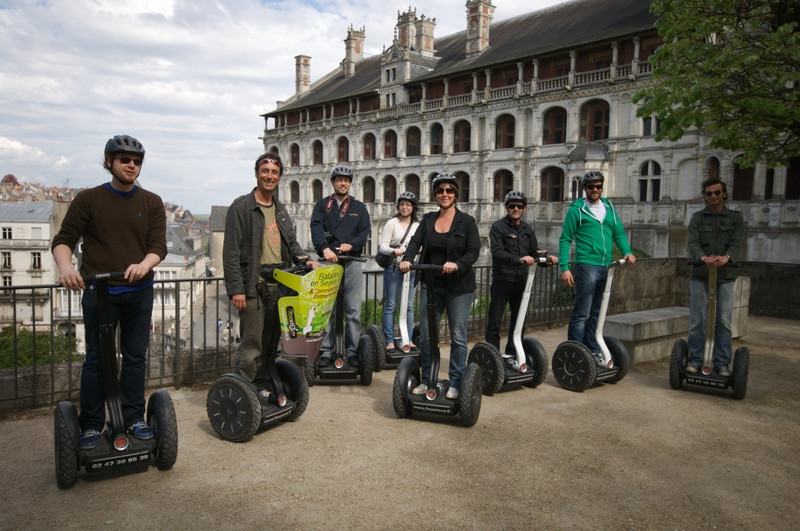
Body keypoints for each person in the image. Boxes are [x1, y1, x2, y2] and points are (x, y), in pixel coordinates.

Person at [52, 134, 167, 450]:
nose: (132, 165)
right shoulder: (89, 200)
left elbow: (158, 246)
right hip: (99, 291)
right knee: (96, 360)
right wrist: (66, 268)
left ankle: (133, 418)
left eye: (137, 161)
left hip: (138, 290)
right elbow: (64, 240)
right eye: (125, 160)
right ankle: (90, 424)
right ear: (109, 163)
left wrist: (145, 264)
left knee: (134, 357)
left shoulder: (152, 202)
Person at [223, 152, 316, 392]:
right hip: (253, 285)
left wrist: (305, 259)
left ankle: (262, 386)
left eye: (274, 173)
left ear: (279, 177)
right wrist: (236, 290)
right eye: (265, 171)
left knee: (270, 342)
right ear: (256, 174)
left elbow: (292, 243)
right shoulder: (241, 207)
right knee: (251, 343)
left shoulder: (280, 210)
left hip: (279, 285)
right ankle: (243, 391)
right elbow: (231, 251)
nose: (269, 176)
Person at [399, 173, 480, 400]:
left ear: (455, 194)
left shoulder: (467, 222)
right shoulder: (427, 220)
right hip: (431, 284)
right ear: (435, 194)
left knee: (458, 335)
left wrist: (457, 264)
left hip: (459, 286)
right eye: (440, 190)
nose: (445, 194)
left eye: (449, 190)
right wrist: (407, 259)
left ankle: (455, 381)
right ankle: (427, 379)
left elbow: (473, 251)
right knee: (426, 334)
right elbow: (415, 243)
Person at [558, 170, 636, 366]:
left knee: (597, 312)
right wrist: (565, 267)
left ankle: (592, 349)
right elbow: (566, 239)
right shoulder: (576, 209)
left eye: (598, 186)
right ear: (585, 189)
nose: (595, 189)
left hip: (607, 266)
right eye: (591, 187)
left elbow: (618, 233)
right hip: (587, 265)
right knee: (582, 312)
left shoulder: (608, 207)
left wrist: (627, 251)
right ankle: (575, 352)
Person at [310, 165, 371, 367]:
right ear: (333, 182)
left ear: (350, 183)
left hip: (352, 262)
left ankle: (352, 351)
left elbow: (364, 232)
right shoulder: (322, 206)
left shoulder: (359, 208)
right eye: (339, 180)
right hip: (329, 262)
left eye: (346, 180)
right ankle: (327, 351)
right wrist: (324, 249)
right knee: (328, 309)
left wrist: (352, 245)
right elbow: (316, 228)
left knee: (352, 310)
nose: (343, 183)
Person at [485, 190, 558, 354]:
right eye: (512, 206)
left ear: (524, 209)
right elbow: (497, 251)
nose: (515, 209)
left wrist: (547, 260)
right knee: (494, 321)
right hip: (502, 280)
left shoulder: (527, 229)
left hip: (521, 281)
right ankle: (492, 356)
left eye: (519, 206)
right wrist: (518, 259)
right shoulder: (498, 227)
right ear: (506, 208)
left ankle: (512, 353)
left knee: (519, 321)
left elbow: (533, 252)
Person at [686, 178, 744, 377]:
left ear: (724, 194)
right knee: (698, 320)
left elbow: (736, 243)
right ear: (704, 196)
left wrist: (726, 257)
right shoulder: (697, 218)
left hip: (725, 276)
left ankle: (722, 363)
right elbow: (692, 243)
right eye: (709, 193)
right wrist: (703, 257)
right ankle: (695, 359)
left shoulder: (735, 218)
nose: (713, 196)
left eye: (717, 193)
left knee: (724, 321)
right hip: (701, 274)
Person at [377, 191, 420, 352]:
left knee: (408, 306)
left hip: (411, 268)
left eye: (408, 204)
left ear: (413, 207)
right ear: (398, 206)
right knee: (391, 305)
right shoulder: (392, 223)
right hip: (394, 267)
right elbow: (383, 246)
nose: (405, 207)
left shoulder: (417, 226)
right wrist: (394, 251)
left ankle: (407, 337)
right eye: (402, 204)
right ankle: (389, 340)